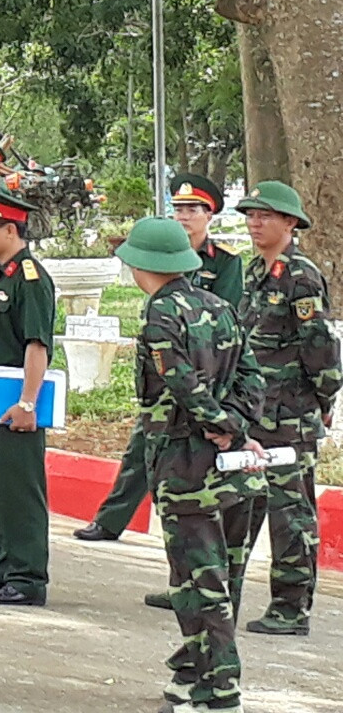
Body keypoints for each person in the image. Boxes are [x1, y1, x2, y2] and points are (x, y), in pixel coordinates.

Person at [116, 217, 263, 713]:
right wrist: (238, 427)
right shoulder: (219, 306)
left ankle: (220, 692)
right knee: (221, 575)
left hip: (186, 463)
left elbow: (178, 380)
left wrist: (219, 424)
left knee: (198, 580)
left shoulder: (161, 313)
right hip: (230, 466)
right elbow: (251, 375)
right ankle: (195, 669)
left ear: (141, 264)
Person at [77, 174, 245, 555]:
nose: (184, 217)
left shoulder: (225, 263)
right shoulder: (157, 258)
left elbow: (227, 316)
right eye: (179, 210)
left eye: (193, 210)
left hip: (205, 372)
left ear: (210, 215)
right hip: (167, 373)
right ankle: (111, 519)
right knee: (141, 448)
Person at [234, 180, 338, 638]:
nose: (256, 224)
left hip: (290, 416)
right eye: (251, 216)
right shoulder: (255, 273)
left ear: (290, 223)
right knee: (240, 504)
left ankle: (292, 607)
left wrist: (326, 397)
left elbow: (320, 347)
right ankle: (224, 590)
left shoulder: (301, 276)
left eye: (266, 216)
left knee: (290, 513)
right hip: (254, 413)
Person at [0, 181, 54, 606]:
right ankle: (3, 564)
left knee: (21, 490)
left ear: (10, 228)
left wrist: (28, 402)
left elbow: (37, 345)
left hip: (16, 398)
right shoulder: (1, 273)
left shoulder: (30, 279)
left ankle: (28, 575)